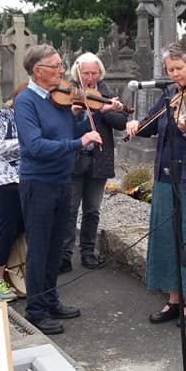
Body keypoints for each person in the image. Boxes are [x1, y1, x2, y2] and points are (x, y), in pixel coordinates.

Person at [125, 42, 186, 327]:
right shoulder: (169, 94)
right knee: (167, 237)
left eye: (179, 69)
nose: (175, 74)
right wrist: (134, 125)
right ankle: (173, 299)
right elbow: (150, 125)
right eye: (170, 70)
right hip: (166, 177)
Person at [14, 44, 102, 335]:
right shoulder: (26, 101)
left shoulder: (58, 100)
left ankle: (50, 300)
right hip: (39, 183)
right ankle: (35, 310)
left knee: (54, 247)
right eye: (56, 66)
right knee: (38, 249)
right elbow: (35, 146)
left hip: (61, 181)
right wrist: (79, 143)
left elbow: (69, 133)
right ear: (39, 71)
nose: (63, 71)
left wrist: (78, 120)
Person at [61, 52, 127, 273]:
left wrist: (104, 109)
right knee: (69, 210)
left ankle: (88, 252)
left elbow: (120, 123)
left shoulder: (107, 92)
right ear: (77, 73)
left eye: (94, 73)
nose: (90, 77)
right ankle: (64, 255)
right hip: (74, 159)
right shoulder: (68, 93)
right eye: (86, 73)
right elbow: (62, 128)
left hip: (99, 159)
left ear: (100, 73)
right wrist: (78, 112)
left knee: (92, 210)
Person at [0, 93, 24, 302]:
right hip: (4, 180)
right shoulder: (3, 116)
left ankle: (18, 277)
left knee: (23, 229)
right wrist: (29, 141)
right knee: (6, 229)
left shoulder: (34, 118)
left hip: (27, 180)